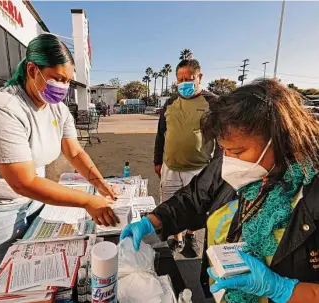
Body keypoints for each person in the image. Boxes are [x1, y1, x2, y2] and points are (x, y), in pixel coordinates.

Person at [122, 79, 319, 303]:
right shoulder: (231, 167)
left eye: (238, 151)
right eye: (224, 149)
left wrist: (281, 289)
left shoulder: (312, 193)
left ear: (282, 140)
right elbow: (193, 199)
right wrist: (153, 221)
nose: (229, 160)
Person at [0, 34, 119, 270]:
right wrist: (88, 201)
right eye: (57, 78)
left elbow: (75, 153)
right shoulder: (2, 109)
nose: (63, 87)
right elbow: (23, 182)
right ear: (32, 70)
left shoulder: (56, 109)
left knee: (52, 260)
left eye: (67, 81)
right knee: (21, 273)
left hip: (28, 200)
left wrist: (100, 185)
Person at [153, 58, 217, 256]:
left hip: (198, 167)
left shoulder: (213, 102)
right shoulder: (171, 103)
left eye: (188, 78)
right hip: (170, 166)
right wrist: (157, 161)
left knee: (196, 206)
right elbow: (161, 133)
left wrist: (216, 168)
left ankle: (190, 235)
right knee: (170, 203)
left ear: (200, 77)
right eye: (180, 79)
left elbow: (223, 137)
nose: (183, 83)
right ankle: (178, 238)